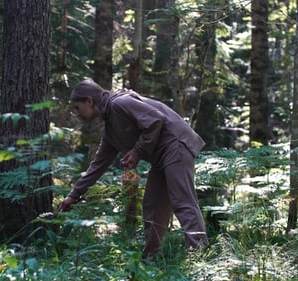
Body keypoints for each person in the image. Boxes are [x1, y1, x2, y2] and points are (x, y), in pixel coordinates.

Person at [58, 78, 208, 259]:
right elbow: (97, 166)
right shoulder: (110, 130)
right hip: (162, 156)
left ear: (89, 101)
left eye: (77, 107)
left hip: (177, 145)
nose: (76, 114)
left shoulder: (121, 103)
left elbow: (155, 120)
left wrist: (137, 152)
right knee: (153, 205)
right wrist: (73, 195)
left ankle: (199, 255)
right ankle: (151, 258)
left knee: (182, 201)